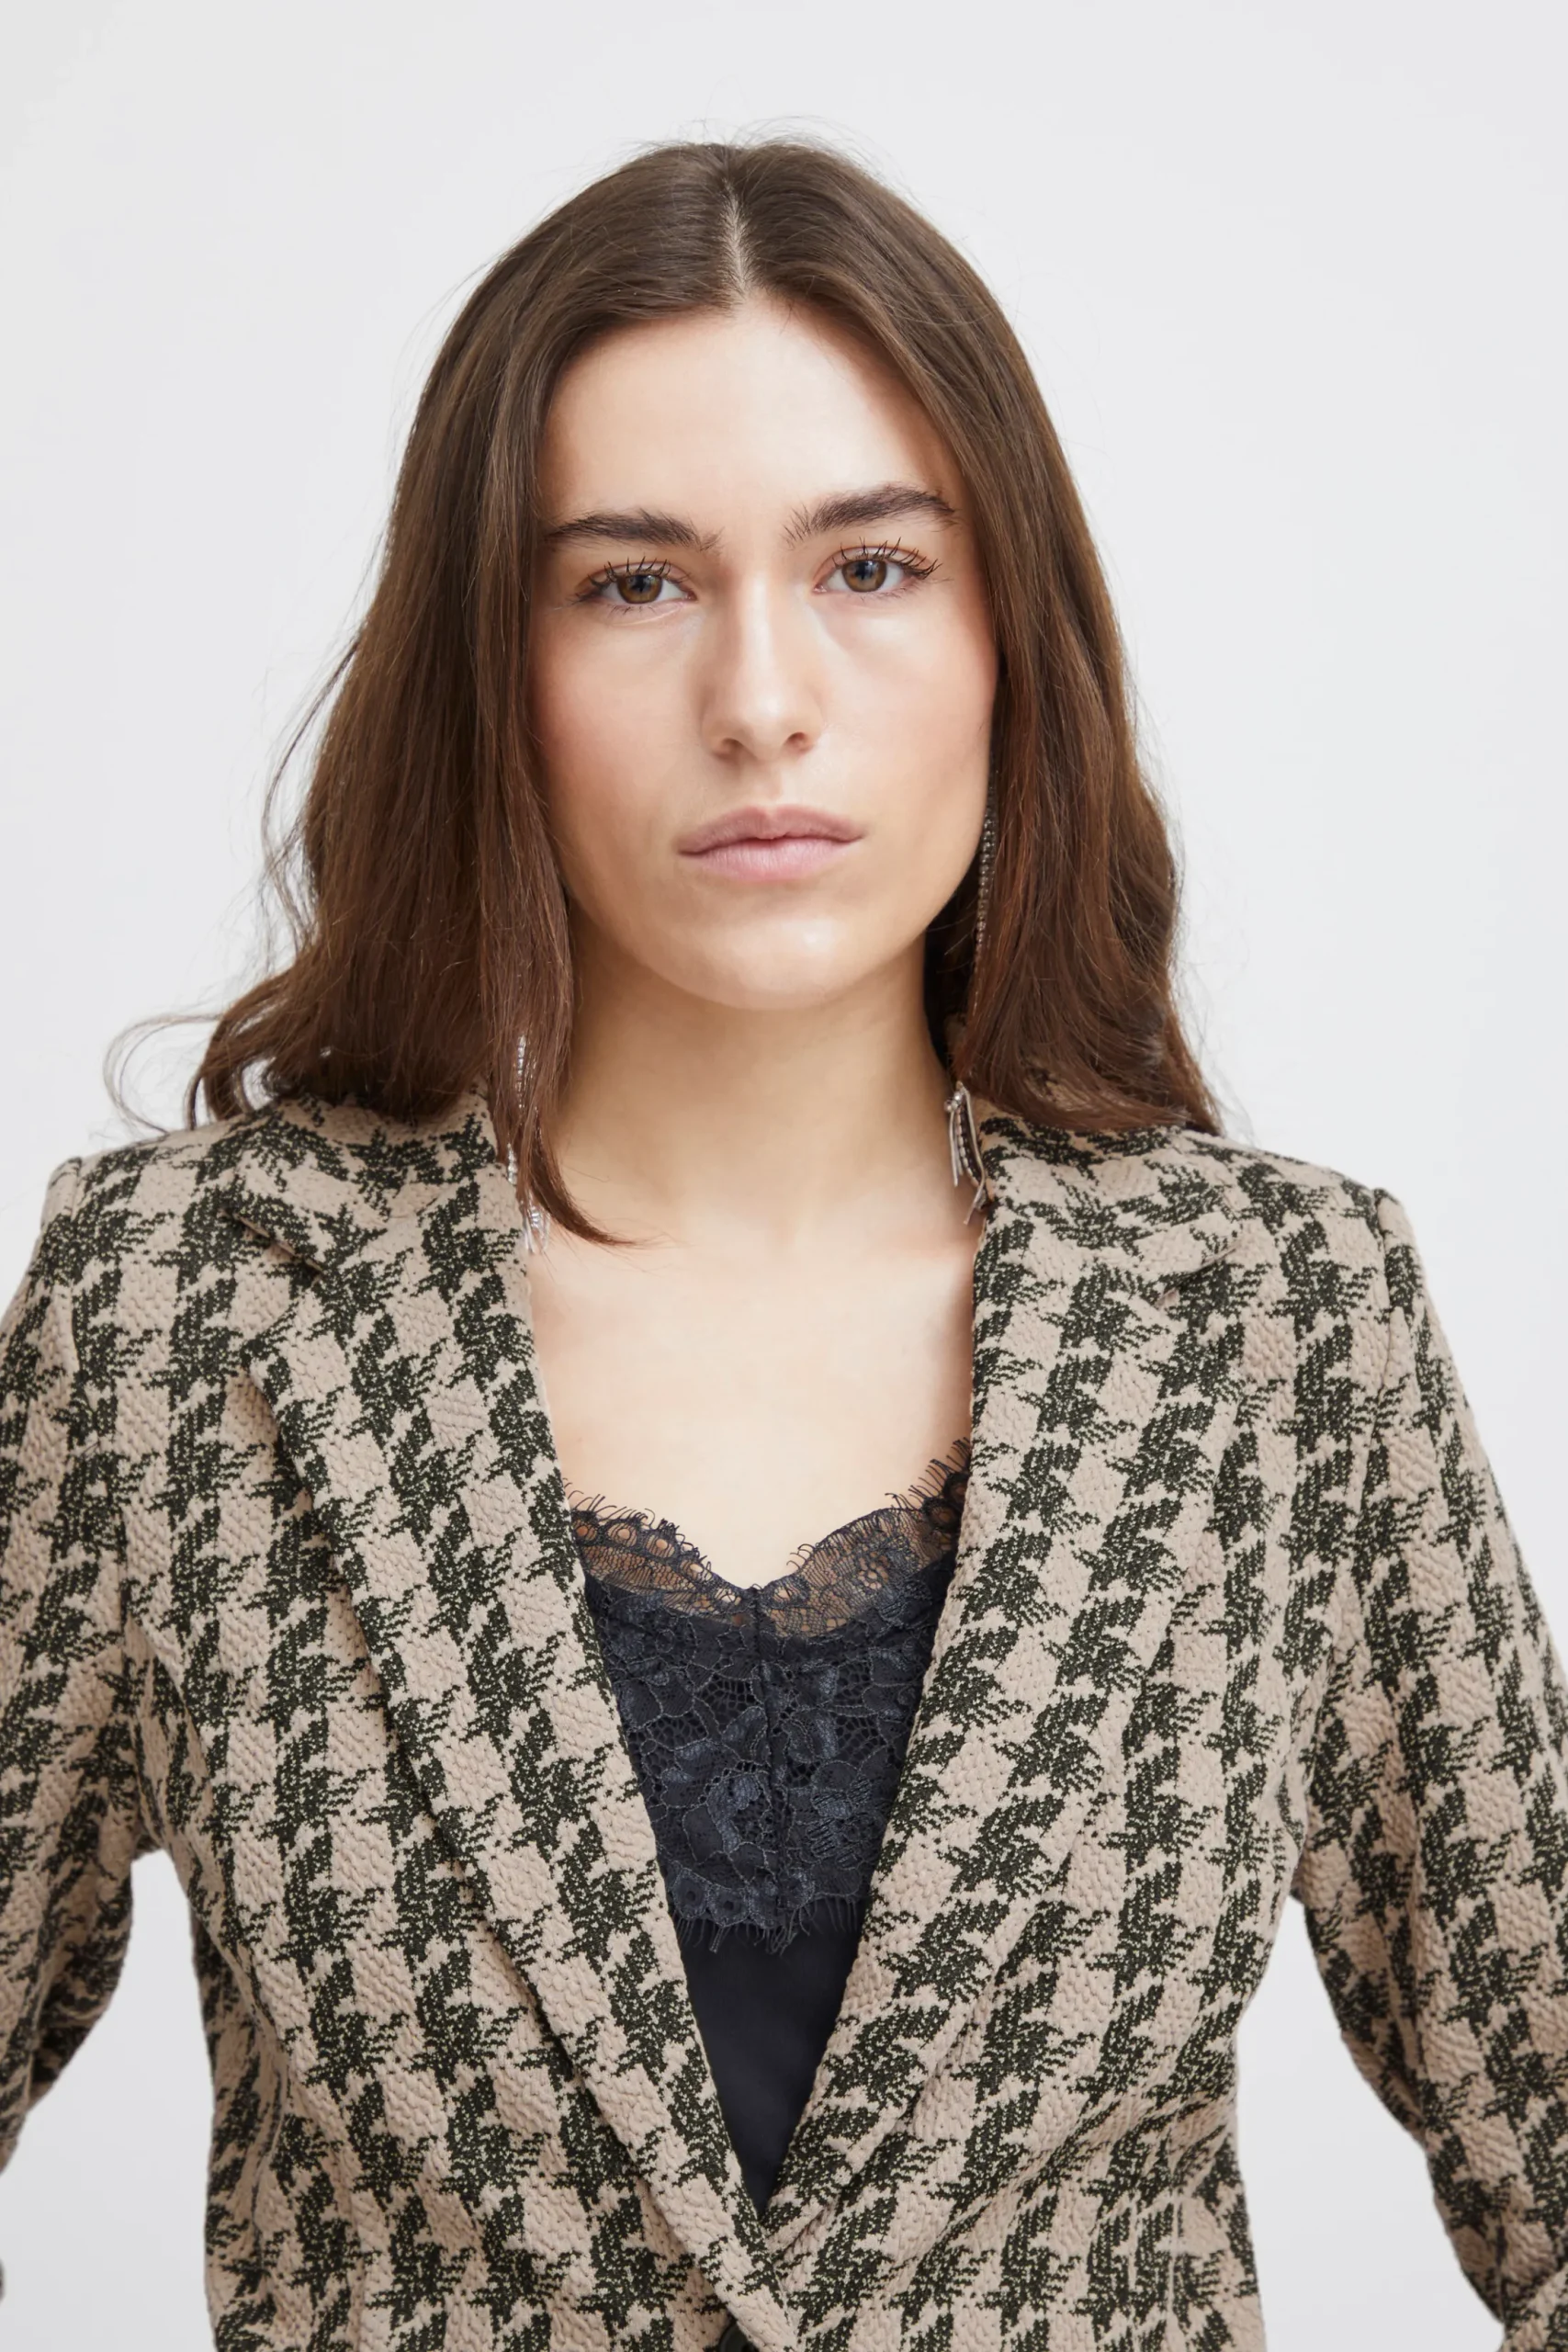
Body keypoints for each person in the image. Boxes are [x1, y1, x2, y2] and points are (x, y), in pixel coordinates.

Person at [1, 137, 1563, 2352]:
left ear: (1011, 635)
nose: (759, 695)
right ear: (492, 664)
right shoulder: (187, 1315)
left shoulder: (1275, 1321)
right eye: (632, 582)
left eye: (873, 565)